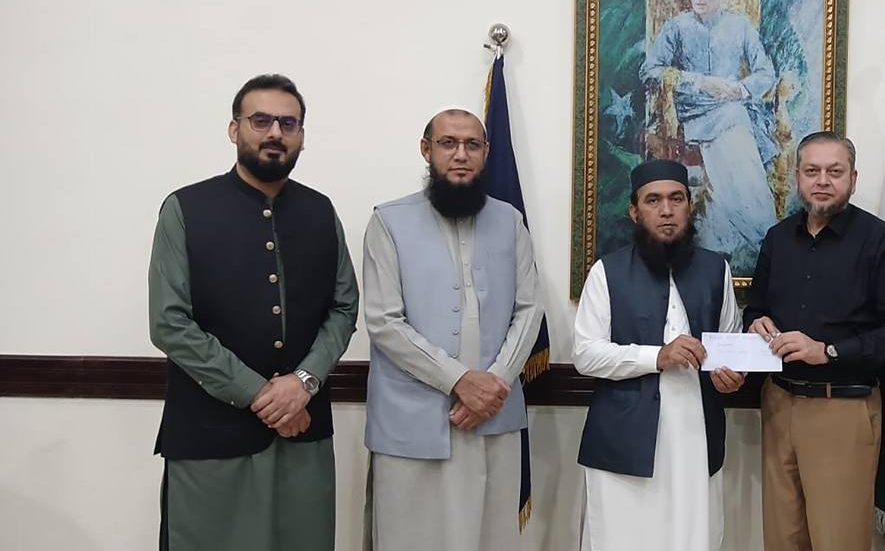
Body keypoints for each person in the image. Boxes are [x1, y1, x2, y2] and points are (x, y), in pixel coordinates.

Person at [148, 73, 358, 551]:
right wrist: (261, 393)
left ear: (301, 134)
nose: (275, 133)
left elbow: (344, 306)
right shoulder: (185, 208)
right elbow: (169, 322)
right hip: (210, 439)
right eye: (260, 120)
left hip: (303, 435)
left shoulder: (320, 211)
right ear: (234, 129)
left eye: (288, 123)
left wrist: (302, 383)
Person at [361, 108, 542, 550]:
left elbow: (529, 309)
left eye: (472, 145)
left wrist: (493, 385)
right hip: (413, 422)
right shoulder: (388, 221)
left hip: (494, 417)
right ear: (426, 150)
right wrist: (460, 380)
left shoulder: (510, 221)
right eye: (448, 143)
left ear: (486, 153)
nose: (461, 154)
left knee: (491, 539)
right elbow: (384, 322)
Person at [743, 131, 885, 551]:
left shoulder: (880, 240)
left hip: (842, 408)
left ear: (853, 179)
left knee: (838, 540)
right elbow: (755, 309)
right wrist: (755, 323)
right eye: (812, 171)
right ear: (797, 177)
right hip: (778, 403)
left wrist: (828, 352)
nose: (822, 180)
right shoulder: (778, 238)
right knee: (782, 539)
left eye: (834, 171)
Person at [573, 159, 746, 551]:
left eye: (676, 199)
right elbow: (585, 354)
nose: (666, 210)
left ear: (690, 205)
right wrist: (657, 357)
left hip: (696, 438)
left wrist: (732, 377)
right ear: (635, 211)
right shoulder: (606, 272)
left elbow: (729, 343)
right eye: (653, 200)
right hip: (623, 442)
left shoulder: (716, 270)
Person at [639, 0, 779, 259]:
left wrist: (739, 88)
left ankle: (755, 232)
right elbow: (649, 70)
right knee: (736, 127)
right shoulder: (676, 27)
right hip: (693, 114)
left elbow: (766, 73)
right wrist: (699, 82)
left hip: (735, 108)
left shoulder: (739, 26)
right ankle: (761, 232)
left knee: (738, 122)